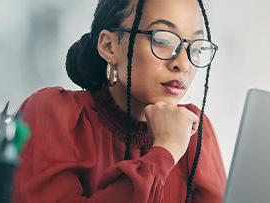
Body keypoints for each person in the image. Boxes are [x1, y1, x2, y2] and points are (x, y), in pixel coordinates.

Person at [12, 0, 226, 202]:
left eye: (196, 48)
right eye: (162, 40)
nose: (183, 64)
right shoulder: (54, 112)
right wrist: (165, 152)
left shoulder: (196, 131)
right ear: (109, 47)